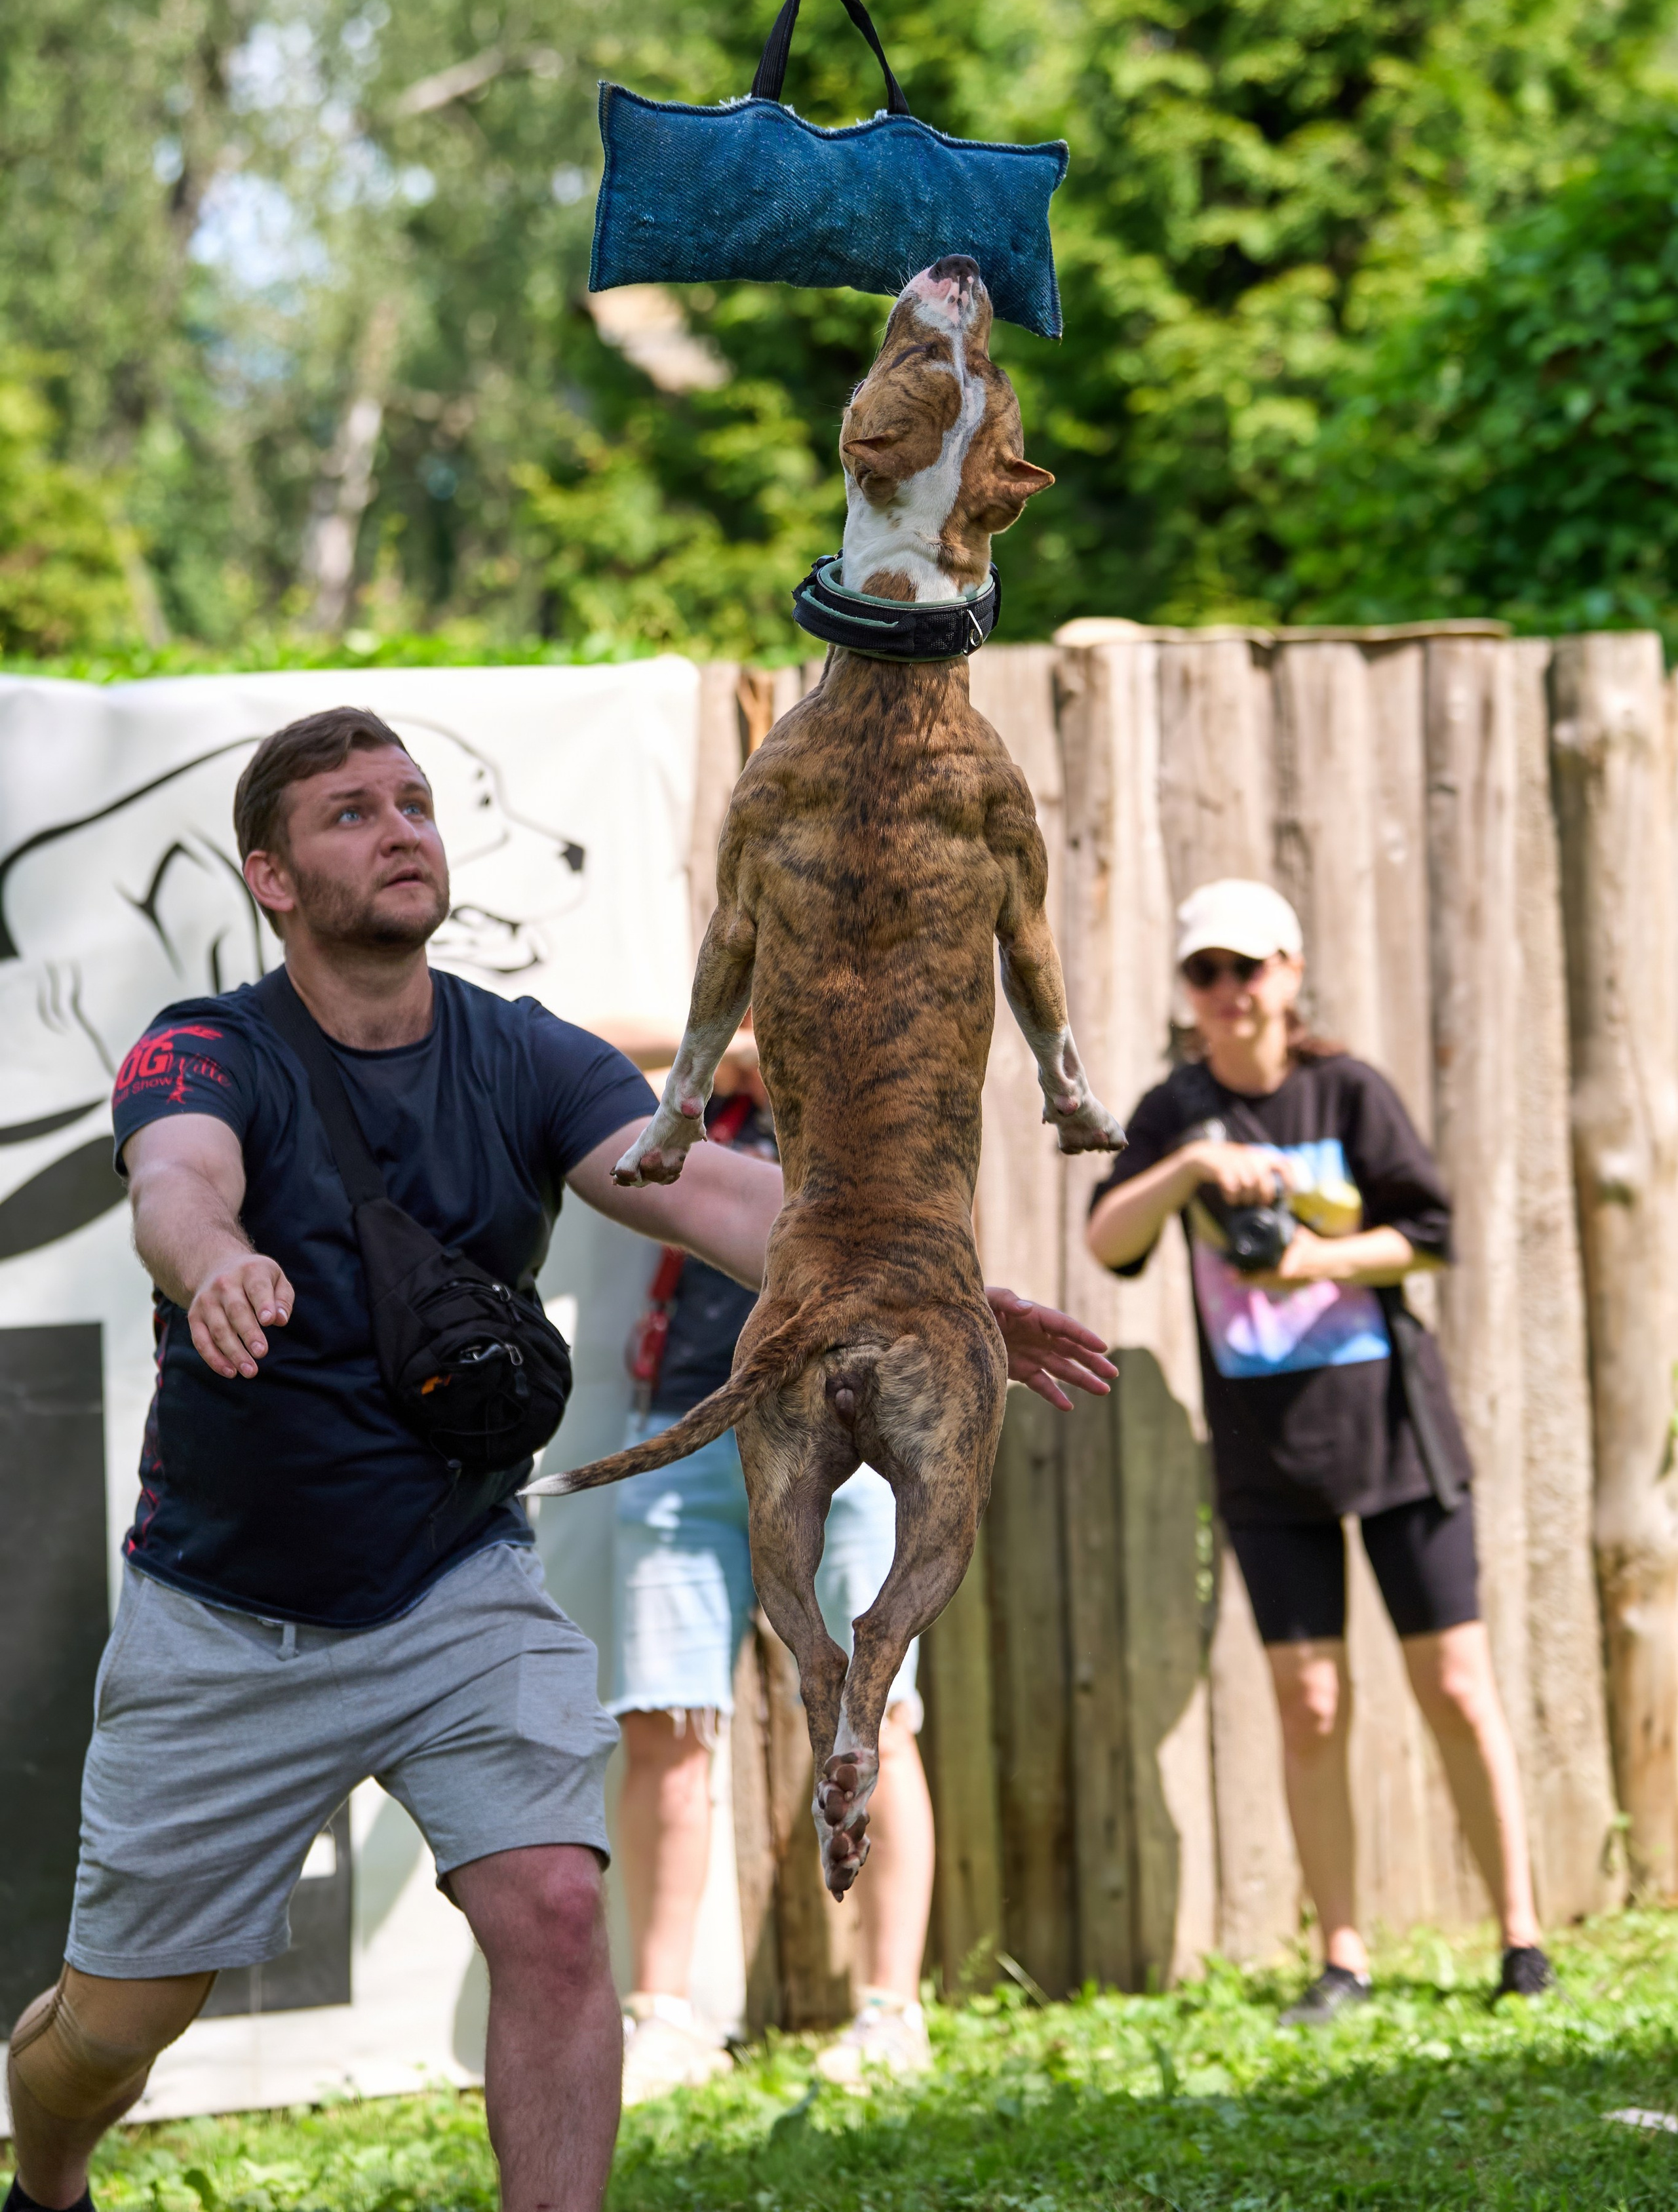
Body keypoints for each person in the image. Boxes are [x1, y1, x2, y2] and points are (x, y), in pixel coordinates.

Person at [4, 705, 1115, 2212]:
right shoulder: (208, 1047)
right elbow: (175, 1179)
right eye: (350, 813)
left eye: (414, 802)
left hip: (460, 1588)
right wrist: (211, 1265)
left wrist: (921, 1284)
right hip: (228, 1621)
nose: (401, 829)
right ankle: (50, 2178)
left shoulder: (520, 1051)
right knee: (109, 2035)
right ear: (269, 877)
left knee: (548, 1910)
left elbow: (713, 1191)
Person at [1085, 877, 1551, 2023]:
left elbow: (1431, 1232)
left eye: (1251, 968)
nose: (1231, 992)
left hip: (1399, 1442)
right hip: (1268, 1463)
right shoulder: (1171, 1110)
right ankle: (1344, 1956)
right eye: (1207, 972)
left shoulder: (1347, 1091)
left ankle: (1522, 1941)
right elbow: (1109, 1241)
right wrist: (1194, 1169)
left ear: (1292, 973)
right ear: (1186, 992)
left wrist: (1314, 1252)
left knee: (1455, 1686)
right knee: (1312, 1707)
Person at [612, 1034, 933, 2101]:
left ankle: (891, 2015)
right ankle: (661, 2021)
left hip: (848, 1429)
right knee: (666, 1721)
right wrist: (723, 1050)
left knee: (872, 1720)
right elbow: (563, 1058)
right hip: (684, 1424)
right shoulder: (706, 1088)